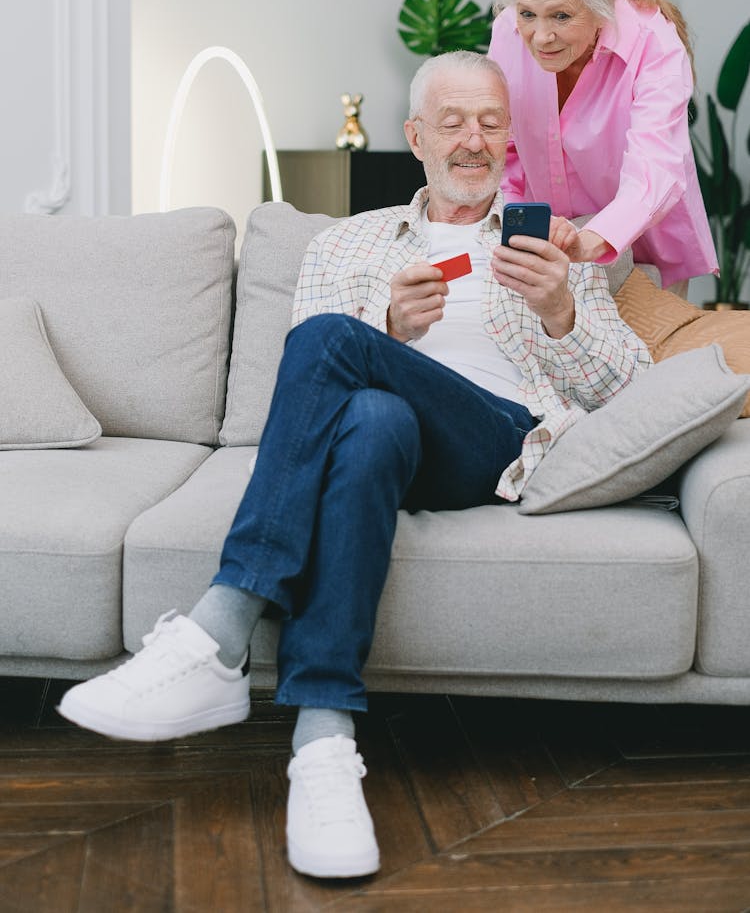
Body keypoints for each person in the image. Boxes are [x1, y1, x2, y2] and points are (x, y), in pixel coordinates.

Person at [57, 52, 651, 880]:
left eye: (488, 122)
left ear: (509, 138)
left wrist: (559, 312)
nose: (472, 139)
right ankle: (324, 741)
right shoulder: (348, 243)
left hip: (499, 440)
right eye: (452, 122)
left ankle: (219, 629)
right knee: (371, 415)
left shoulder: (555, 244)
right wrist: (389, 330)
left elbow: (634, 389)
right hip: (395, 444)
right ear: (416, 137)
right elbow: (314, 393)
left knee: (339, 344)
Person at [488, 0, 718, 295]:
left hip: (644, 245)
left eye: (561, 16)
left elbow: (656, 167)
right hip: (546, 244)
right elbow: (505, 151)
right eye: (528, 14)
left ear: (600, 7)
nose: (541, 36)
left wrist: (590, 239)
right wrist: (514, 224)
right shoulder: (508, 32)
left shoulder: (653, 42)